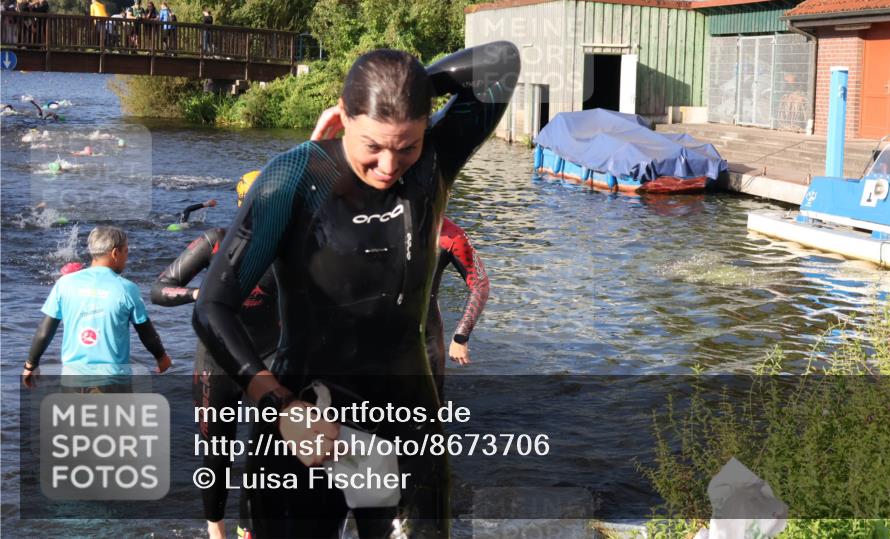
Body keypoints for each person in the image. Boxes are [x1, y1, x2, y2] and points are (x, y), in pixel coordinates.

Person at [193, 41, 518, 538]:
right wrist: (279, 406)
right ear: (343, 115)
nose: (390, 166)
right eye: (373, 145)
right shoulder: (294, 178)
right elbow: (213, 307)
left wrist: (412, 84)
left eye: (405, 145)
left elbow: (502, 63)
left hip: (407, 417)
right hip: (306, 412)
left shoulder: (434, 159)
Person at [151, 171, 277, 539]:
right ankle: (215, 529)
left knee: (266, 454)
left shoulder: (287, 246)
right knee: (217, 454)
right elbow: (160, 289)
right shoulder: (214, 242)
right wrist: (199, 295)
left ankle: (249, 529)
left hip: (268, 360)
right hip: (216, 362)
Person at [22, 226, 172, 391]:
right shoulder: (127, 289)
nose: (127, 258)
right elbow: (146, 333)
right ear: (115, 253)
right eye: (126, 251)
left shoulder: (64, 284)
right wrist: (161, 357)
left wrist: (31, 364)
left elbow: (45, 331)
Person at [426, 218, 489, 397]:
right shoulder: (379, 223)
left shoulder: (450, 234)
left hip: (426, 338)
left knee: (429, 410)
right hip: (378, 338)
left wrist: (461, 336)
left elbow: (480, 284)